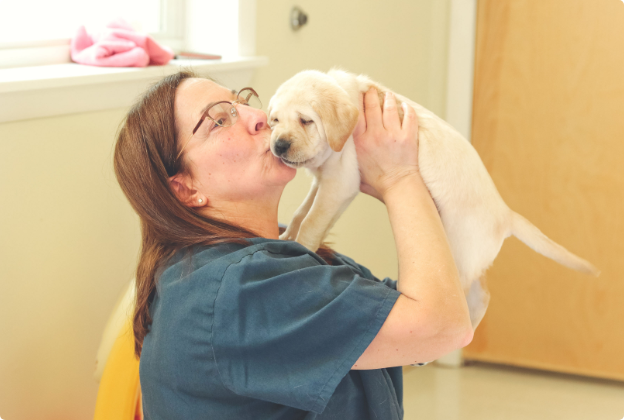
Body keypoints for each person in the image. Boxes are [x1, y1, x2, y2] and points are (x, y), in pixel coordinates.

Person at [113, 70, 472, 420]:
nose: (258, 117)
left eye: (243, 101)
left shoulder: (266, 257)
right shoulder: (243, 289)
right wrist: (398, 177)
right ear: (185, 189)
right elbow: (441, 326)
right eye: (219, 120)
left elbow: (407, 321)